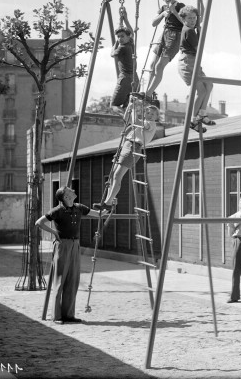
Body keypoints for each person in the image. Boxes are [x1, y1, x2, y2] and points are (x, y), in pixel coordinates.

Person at [36, 187, 99, 324]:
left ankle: (68, 315)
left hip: (75, 244)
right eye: (70, 191)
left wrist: (109, 205)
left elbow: (99, 214)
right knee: (60, 280)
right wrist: (54, 232)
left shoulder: (79, 207)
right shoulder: (57, 210)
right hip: (62, 245)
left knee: (73, 280)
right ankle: (57, 316)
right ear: (65, 197)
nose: (73, 190)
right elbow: (39, 222)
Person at [93, 105, 160, 212]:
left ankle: (108, 203)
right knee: (112, 176)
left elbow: (136, 121)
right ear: (144, 114)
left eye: (153, 114)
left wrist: (133, 109)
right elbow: (129, 121)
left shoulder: (150, 124)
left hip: (133, 148)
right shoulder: (143, 123)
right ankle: (107, 201)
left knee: (117, 175)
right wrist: (129, 108)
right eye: (148, 113)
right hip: (126, 146)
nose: (150, 115)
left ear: (156, 116)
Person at [175, 5, 215, 133]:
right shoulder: (189, 31)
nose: (193, 20)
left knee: (209, 85)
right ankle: (193, 120)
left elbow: (201, 16)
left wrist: (201, 1)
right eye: (190, 18)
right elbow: (199, 48)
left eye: (194, 18)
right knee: (201, 91)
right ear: (184, 19)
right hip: (188, 63)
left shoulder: (191, 29)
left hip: (193, 62)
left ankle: (202, 114)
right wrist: (200, 32)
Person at [144, 0, 185, 96]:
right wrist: (163, 14)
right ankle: (147, 91)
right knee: (152, 65)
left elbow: (186, 23)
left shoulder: (181, 6)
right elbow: (153, 23)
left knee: (159, 66)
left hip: (175, 35)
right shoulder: (163, 8)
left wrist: (174, 12)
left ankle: (148, 93)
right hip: (164, 34)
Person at [109, 23, 138, 117]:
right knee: (126, 106)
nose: (120, 39)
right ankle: (130, 120)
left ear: (128, 37)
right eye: (118, 37)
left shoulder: (122, 47)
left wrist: (116, 43)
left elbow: (112, 54)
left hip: (125, 78)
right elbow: (131, 32)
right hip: (135, 79)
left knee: (114, 105)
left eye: (122, 36)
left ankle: (127, 119)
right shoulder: (131, 44)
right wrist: (125, 18)